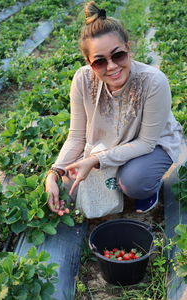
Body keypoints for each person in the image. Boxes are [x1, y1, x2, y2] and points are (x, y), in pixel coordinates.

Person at [45, 1, 182, 215]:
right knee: (67, 183)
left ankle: (148, 190)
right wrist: (54, 172)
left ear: (128, 48)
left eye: (118, 55)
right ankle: (114, 174)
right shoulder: (82, 80)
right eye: (100, 62)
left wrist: (95, 159)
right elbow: (76, 136)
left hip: (152, 143)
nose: (112, 67)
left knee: (133, 182)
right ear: (88, 62)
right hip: (108, 143)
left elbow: (146, 143)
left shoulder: (153, 82)